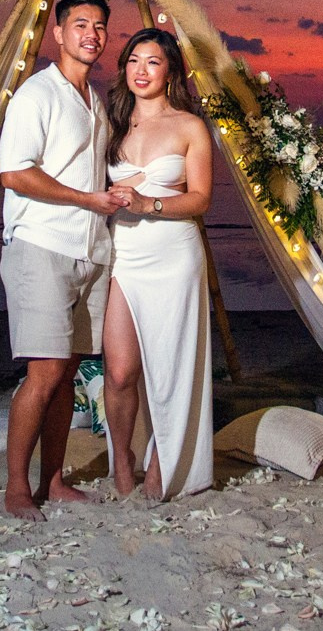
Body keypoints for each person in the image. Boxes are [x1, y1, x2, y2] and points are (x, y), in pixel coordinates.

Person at [0, 0, 130, 520]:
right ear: (58, 31)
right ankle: (15, 488)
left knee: (68, 375)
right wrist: (86, 198)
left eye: (99, 26)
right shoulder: (37, 94)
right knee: (44, 373)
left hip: (91, 250)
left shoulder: (95, 101)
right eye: (80, 24)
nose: (91, 35)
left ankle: (52, 481)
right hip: (42, 248)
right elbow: (14, 172)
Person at [100, 28, 216, 502]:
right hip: (124, 254)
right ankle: (121, 461)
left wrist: (151, 205)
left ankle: (163, 462)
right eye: (133, 60)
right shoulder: (112, 124)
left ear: (169, 72)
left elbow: (202, 198)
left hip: (174, 254)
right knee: (121, 370)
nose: (140, 70)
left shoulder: (190, 126)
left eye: (152, 62)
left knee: (171, 365)